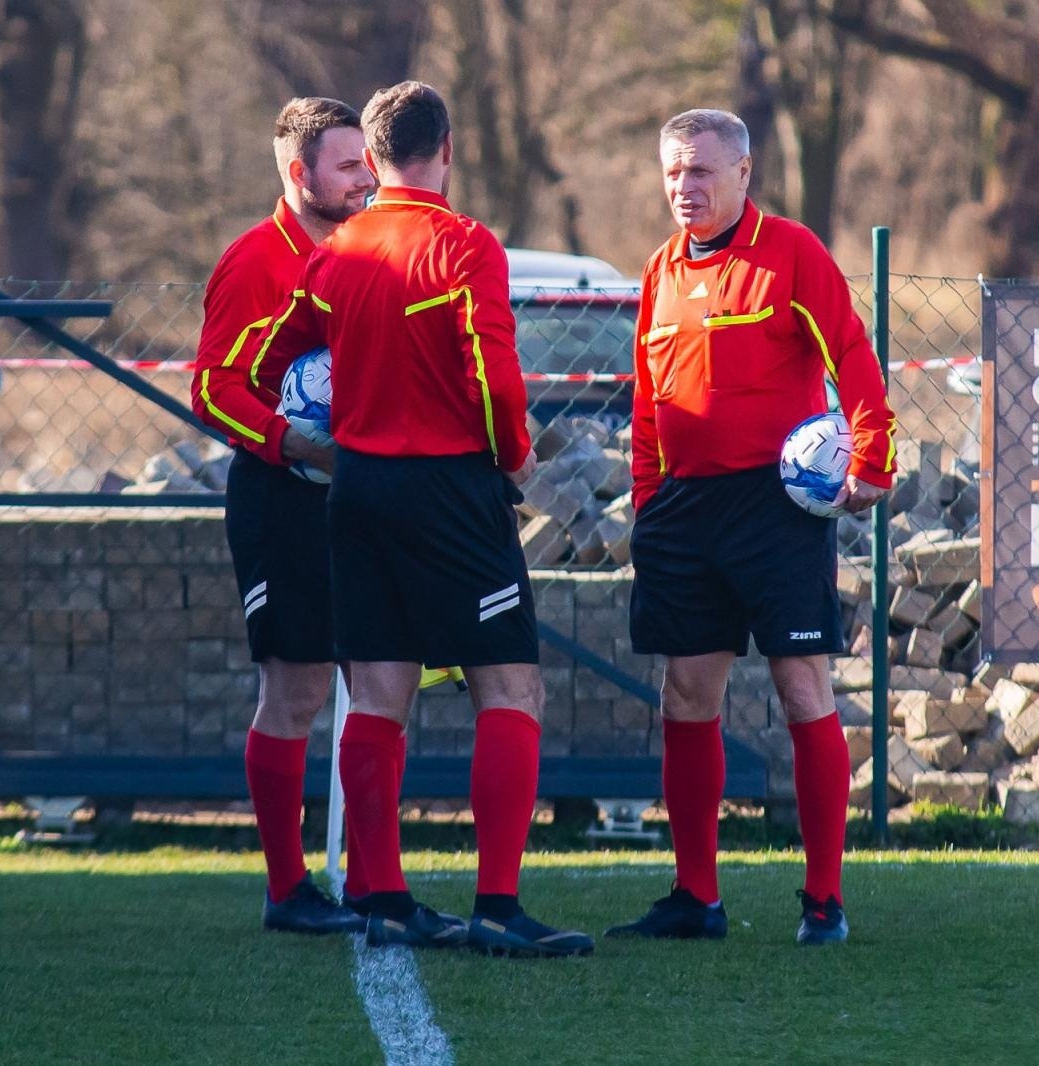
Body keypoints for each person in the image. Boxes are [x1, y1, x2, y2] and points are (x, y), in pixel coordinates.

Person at [256, 81, 593, 958]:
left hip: (357, 489)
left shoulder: (334, 253)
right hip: (446, 486)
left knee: (377, 695)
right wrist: (512, 450)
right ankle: (497, 904)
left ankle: (387, 901)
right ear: (448, 147)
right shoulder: (465, 243)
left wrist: (307, 428)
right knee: (509, 686)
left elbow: (271, 358)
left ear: (369, 160)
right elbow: (492, 374)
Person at [605, 109, 896, 946]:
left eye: (700, 173)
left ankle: (824, 900)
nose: (684, 190)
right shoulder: (659, 270)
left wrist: (871, 462)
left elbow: (853, 356)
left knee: (803, 687)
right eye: (672, 175)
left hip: (775, 510)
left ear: (743, 174)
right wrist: (647, 499)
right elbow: (648, 404)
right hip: (685, 512)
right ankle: (696, 897)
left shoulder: (793, 252)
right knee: (688, 692)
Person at [189, 97, 376, 934]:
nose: (365, 178)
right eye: (347, 166)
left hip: (370, 500)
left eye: (368, 162)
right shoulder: (254, 261)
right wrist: (294, 441)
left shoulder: (375, 251)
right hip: (283, 500)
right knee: (295, 691)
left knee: (380, 683)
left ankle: (379, 881)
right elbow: (212, 389)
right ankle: (287, 888)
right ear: (299, 175)